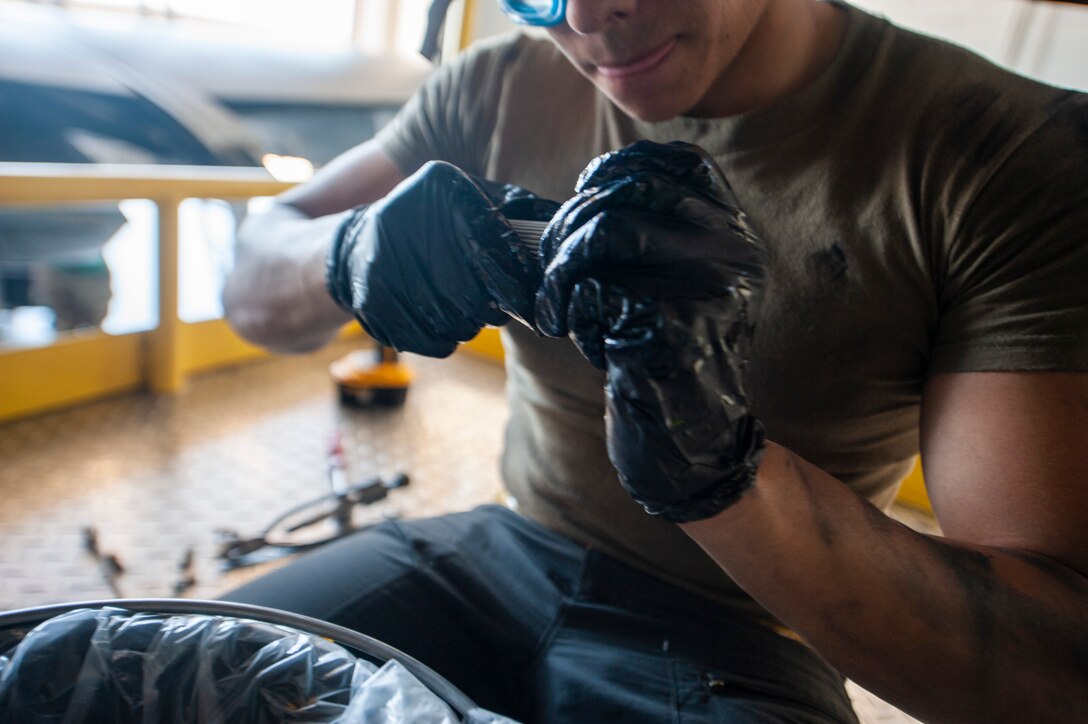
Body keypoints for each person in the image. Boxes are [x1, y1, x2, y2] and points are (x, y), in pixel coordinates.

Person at [221, 0, 1088, 721]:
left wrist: (721, 472)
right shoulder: (496, 86)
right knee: (166, 676)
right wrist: (349, 251)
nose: (590, 16)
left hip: (748, 629)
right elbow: (252, 283)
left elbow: (1050, 675)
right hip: (501, 546)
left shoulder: (1006, 153)